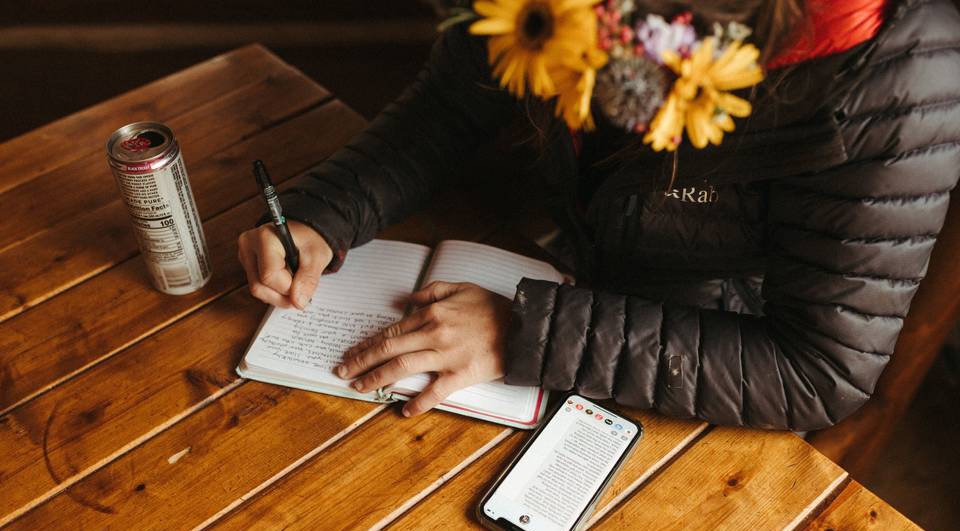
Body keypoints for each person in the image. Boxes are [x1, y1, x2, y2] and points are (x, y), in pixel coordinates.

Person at [237, 0, 960, 429]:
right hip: (567, 271)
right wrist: (325, 213)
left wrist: (527, 331)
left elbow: (819, 368)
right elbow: (453, 103)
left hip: (710, 368)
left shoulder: (901, 77)